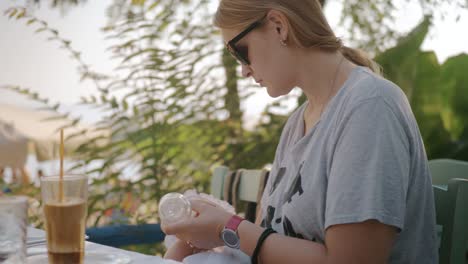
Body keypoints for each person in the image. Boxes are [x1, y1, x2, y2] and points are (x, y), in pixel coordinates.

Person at [162, 0, 438, 263]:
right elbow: (267, 238)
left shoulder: (370, 106)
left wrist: (228, 228)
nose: (244, 70)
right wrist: (207, 232)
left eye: (239, 51)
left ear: (279, 25)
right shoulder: (298, 124)